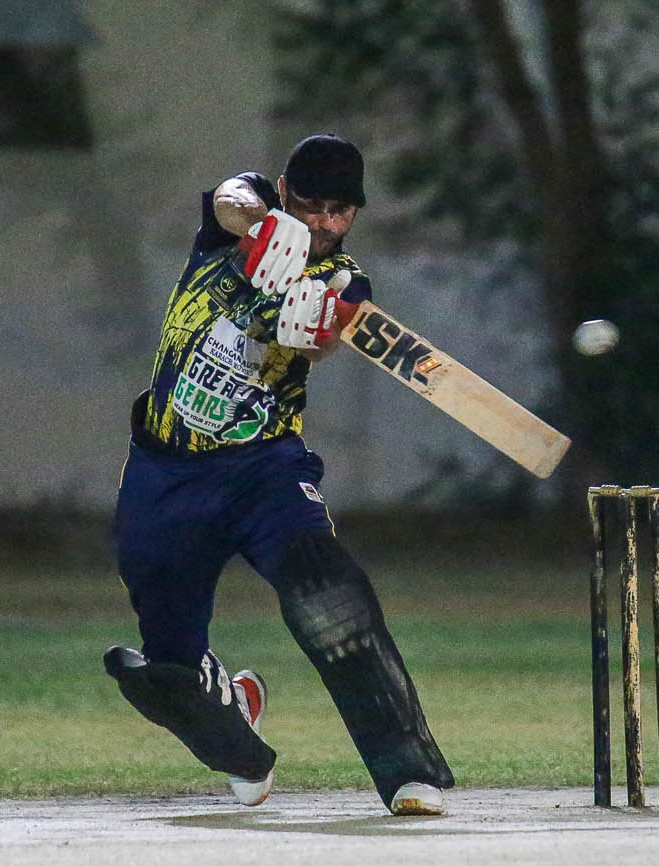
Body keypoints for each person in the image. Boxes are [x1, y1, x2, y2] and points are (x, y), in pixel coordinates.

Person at [104, 133, 454, 816]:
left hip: (263, 469)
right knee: (169, 670)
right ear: (288, 191)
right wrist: (266, 227)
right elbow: (230, 199)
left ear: (355, 213)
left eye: (338, 212)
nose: (322, 222)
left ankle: (408, 774)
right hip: (163, 472)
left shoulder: (345, 278)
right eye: (310, 205)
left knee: (330, 594)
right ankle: (235, 734)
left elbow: (328, 338)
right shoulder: (243, 215)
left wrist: (310, 327)